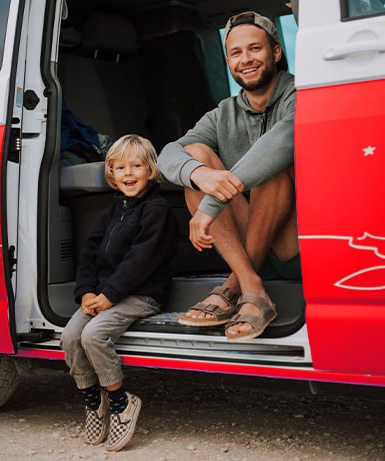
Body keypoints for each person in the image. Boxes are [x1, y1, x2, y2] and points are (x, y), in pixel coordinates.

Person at [158, 11, 301, 342]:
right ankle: (252, 285)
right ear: (227, 61)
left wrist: (208, 208)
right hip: (247, 247)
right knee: (194, 159)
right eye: (236, 53)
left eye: (255, 49)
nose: (246, 60)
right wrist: (199, 174)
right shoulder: (224, 113)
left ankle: (234, 285)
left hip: (292, 248)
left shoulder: (299, 95)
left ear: (275, 52)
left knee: (271, 168)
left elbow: (282, 142)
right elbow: (168, 153)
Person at [61, 134, 179, 452]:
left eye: (136, 166)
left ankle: (120, 403)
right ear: (111, 174)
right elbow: (89, 251)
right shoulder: (115, 208)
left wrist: (110, 295)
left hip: (141, 294)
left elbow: (142, 260)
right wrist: (86, 291)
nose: (128, 173)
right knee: (70, 336)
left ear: (151, 169)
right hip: (104, 294)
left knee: (93, 335)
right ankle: (93, 402)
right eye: (119, 167)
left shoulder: (157, 210)